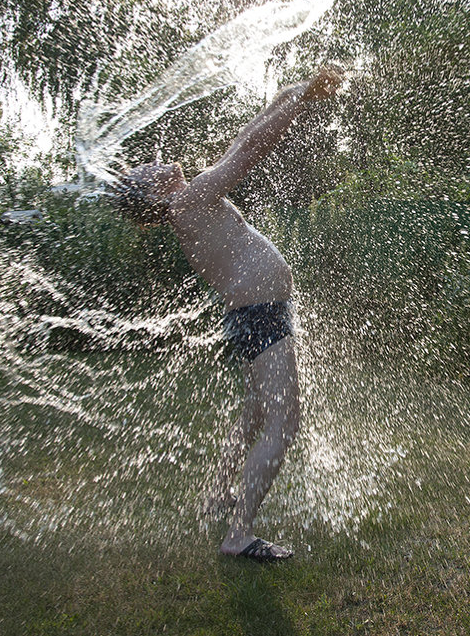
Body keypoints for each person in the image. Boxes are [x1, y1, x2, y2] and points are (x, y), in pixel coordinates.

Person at [109, 66, 344, 561]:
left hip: (255, 311)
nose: (153, 164)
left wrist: (287, 94)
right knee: (284, 420)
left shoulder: (189, 201)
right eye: (144, 173)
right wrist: (299, 104)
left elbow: (242, 138)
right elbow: (247, 152)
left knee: (257, 411)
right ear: (154, 194)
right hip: (258, 311)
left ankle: (217, 494)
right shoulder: (189, 199)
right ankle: (239, 534)